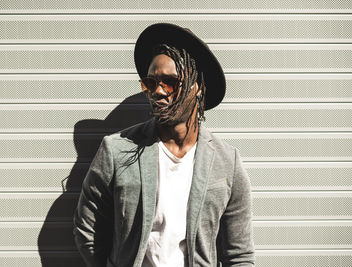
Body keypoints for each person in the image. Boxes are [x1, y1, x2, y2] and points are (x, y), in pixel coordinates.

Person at [73, 23, 255, 267]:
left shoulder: (226, 161)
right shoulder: (117, 150)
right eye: (151, 82)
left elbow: (239, 255)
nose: (158, 91)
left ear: (197, 87)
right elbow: (87, 228)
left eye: (170, 82)